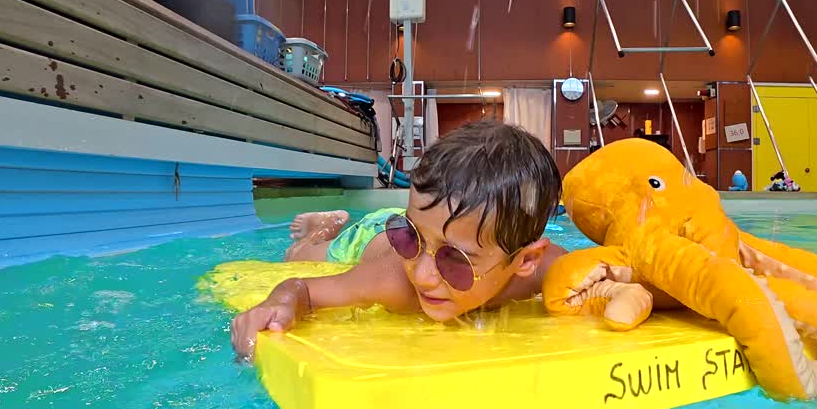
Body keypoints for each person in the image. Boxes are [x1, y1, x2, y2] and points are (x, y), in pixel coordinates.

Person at [231, 121, 567, 358]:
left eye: (455, 261)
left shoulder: (545, 270)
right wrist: (282, 304)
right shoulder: (392, 279)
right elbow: (301, 287)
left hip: (425, 222)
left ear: (525, 261)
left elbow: (598, 268)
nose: (421, 276)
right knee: (305, 255)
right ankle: (324, 228)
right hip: (373, 237)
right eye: (410, 239)